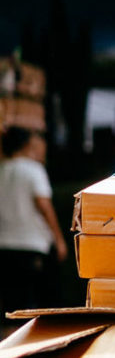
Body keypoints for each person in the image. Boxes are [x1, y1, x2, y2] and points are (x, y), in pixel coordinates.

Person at [0, 126, 68, 319]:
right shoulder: (33, 170)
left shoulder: (1, 170)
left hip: (4, 246)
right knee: (41, 307)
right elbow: (44, 205)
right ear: (28, 145)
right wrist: (59, 240)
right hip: (33, 246)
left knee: (12, 306)